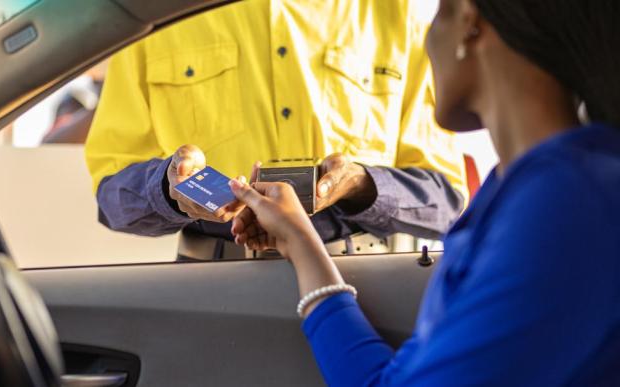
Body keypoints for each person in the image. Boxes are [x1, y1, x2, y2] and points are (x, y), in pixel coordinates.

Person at [228, 0, 620, 384]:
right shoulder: (532, 189)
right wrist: (298, 240)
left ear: (470, 21)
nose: (426, 44)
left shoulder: (563, 206)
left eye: (436, 17)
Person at [84, 0, 468, 259]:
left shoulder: (393, 15)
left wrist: (360, 184)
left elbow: (446, 205)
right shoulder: (158, 13)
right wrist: (168, 190)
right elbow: (113, 199)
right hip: (208, 298)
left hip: (362, 295)